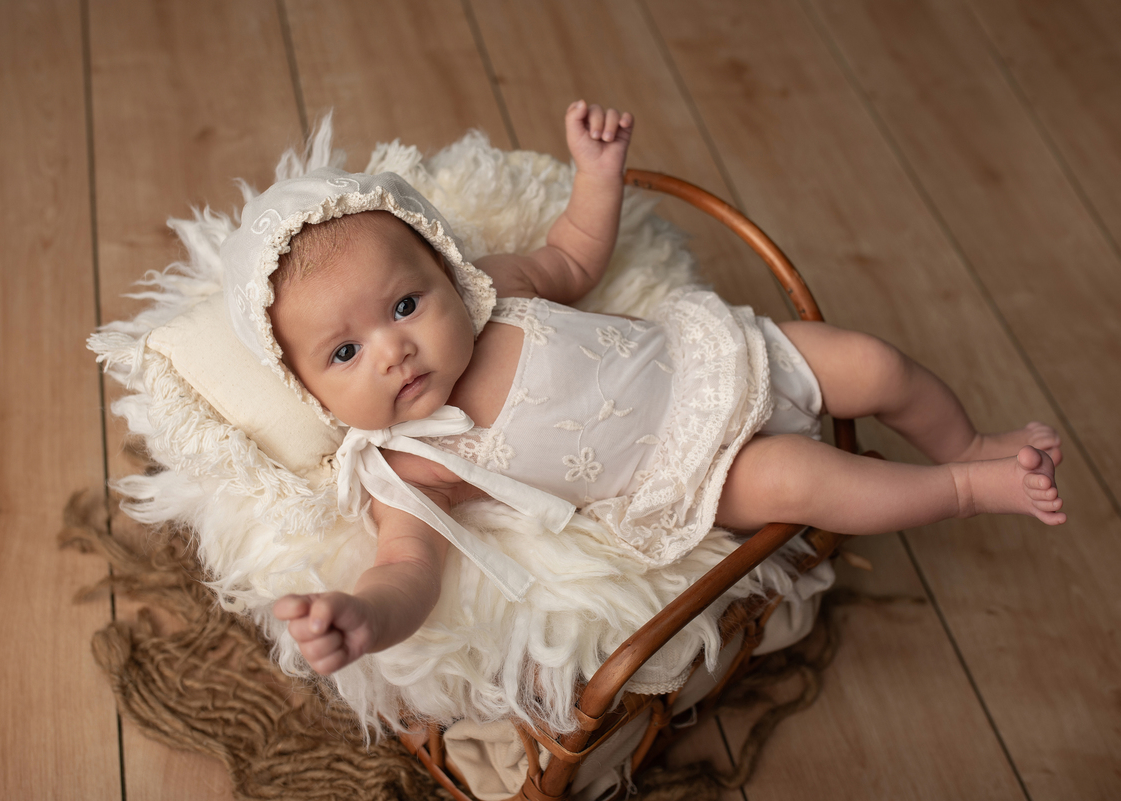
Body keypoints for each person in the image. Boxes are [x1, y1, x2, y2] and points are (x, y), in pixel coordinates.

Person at [236, 101, 1064, 677]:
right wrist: (366, 617)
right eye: (344, 352)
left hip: (717, 360)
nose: (393, 351)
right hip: (688, 475)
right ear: (307, 391)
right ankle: (962, 489)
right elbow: (408, 566)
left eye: (405, 305)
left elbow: (574, 254)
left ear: (443, 271)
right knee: (811, 483)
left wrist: (597, 175)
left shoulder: (494, 288)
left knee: (875, 364)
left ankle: (968, 441)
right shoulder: (412, 464)